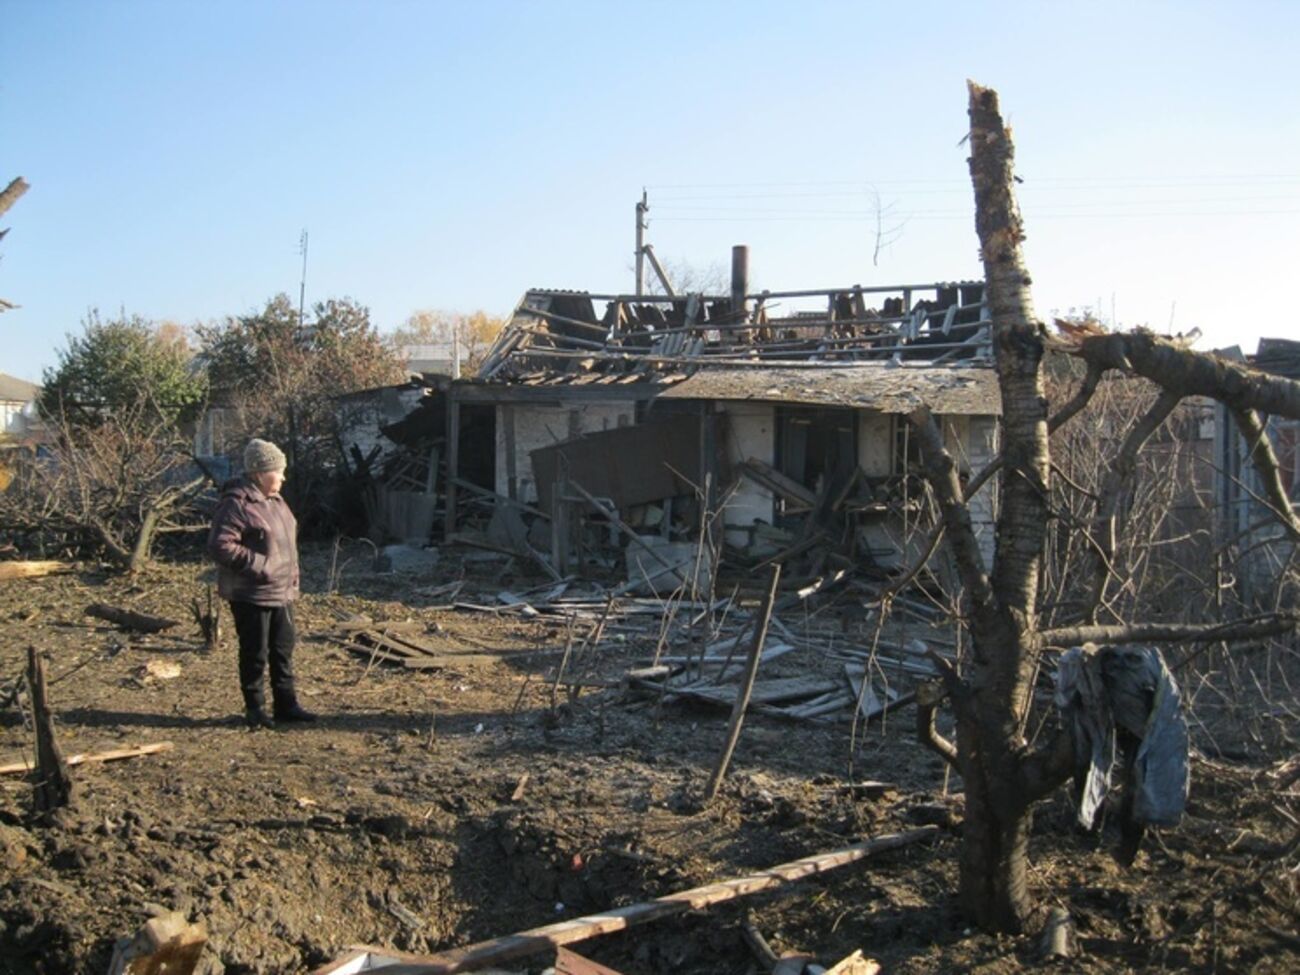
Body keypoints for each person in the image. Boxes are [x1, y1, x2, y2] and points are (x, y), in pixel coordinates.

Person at [207, 438, 316, 729]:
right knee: (255, 652)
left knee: (283, 650)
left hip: (282, 592)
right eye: (277, 471)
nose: (282, 477)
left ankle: (287, 705)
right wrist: (260, 566)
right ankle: (255, 709)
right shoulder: (236, 503)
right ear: (258, 473)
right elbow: (220, 545)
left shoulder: (277, 501)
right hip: (251, 593)